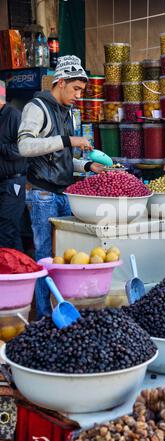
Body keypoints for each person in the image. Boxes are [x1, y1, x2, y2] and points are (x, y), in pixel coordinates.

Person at [18, 55, 103, 318]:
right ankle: (44, 316)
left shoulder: (68, 113)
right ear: (61, 82)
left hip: (64, 193)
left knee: (68, 254)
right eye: (75, 89)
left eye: (81, 90)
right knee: (44, 256)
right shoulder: (37, 108)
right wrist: (67, 140)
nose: (79, 95)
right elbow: (25, 147)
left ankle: (63, 310)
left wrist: (87, 167)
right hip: (42, 194)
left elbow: (64, 159)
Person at [0, 80, 27, 250]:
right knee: (9, 232)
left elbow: (24, 148)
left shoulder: (14, 116)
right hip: (3, 182)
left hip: (12, 184)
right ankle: (20, 271)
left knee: (5, 232)